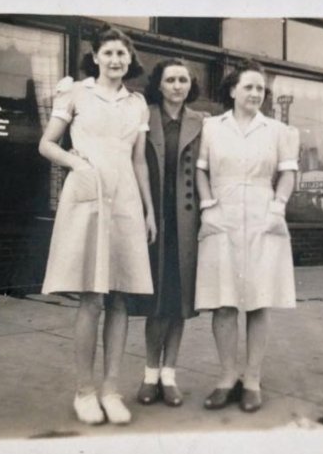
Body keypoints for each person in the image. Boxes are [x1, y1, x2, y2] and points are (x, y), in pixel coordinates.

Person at [39, 25, 156, 425]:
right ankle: (84, 391)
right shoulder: (76, 93)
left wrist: (149, 210)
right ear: (95, 57)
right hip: (87, 197)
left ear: (130, 59)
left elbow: (139, 161)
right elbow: (46, 143)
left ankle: (111, 390)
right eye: (108, 53)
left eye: (122, 54)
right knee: (91, 298)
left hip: (125, 201)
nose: (115, 60)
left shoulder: (137, 103)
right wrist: (78, 164)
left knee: (120, 297)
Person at [195, 60, 299, 413]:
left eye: (260, 88)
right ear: (232, 90)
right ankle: (227, 377)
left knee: (258, 299)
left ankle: (252, 378)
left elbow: (287, 173)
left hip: (262, 214)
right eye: (249, 87)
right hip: (221, 214)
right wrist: (208, 206)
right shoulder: (211, 127)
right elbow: (201, 170)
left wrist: (277, 207)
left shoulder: (278, 131)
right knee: (223, 301)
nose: (256, 93)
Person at [130, 59, 208, 407]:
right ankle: (150, 374)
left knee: (180, 302)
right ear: (159, 85)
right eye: (171, 80)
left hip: (188, 221)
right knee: (157, 302)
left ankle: (169, 375)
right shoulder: (144, 115)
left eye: (183, 80)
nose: (178, 86)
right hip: (153, 217)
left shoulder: (202, 122)